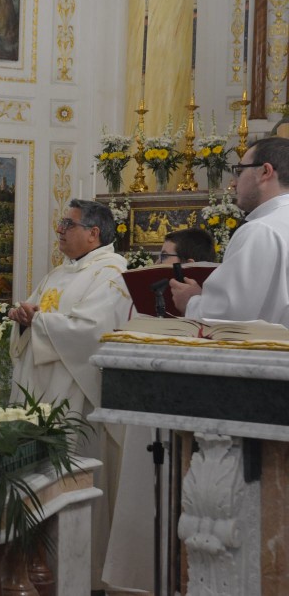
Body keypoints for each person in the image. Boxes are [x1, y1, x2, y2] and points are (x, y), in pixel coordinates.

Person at [8, 198, 131, 590]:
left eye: (68, 224)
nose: (59, 231)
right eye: (61, 223)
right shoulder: (59, 272)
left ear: (94, 233)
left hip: (76, 396)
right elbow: (37, 315)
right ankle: (36, 563)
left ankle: (81, 574)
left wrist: (38, 321)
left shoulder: (113, 272)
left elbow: (94, 331)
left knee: (74, 475)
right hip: (40, 389)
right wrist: (23, 319)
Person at [103, 227, 217, 593]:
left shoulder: (214, 303)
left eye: (163, 257)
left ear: (188, 265)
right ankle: (141, 577)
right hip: (150, 407)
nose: (156, 263)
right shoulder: (157, 297)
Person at [171, 136, 289, 325]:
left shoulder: (261, 230)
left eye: (240, 171)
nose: (233, 183)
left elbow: (228, 317)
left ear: (265, 172)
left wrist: (191, 302)